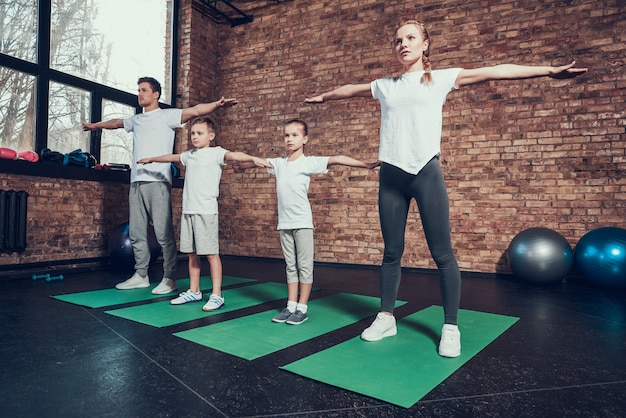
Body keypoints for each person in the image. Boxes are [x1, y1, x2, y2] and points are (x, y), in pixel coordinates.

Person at [304, 19, 587, 357]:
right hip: (391, 175)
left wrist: (547, 70)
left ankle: (450, 326)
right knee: (391, 251)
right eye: (397, 41)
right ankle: (385, 316)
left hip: (425, 172)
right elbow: (349, 89)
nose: (403, 44)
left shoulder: (441, 79)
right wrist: (323, 96)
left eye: (411, 38)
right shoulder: (385, 85)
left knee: (442, 253)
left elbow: (495, 70)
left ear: (425, 45)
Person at [82, 76, 238, 295]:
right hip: (137, 181)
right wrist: (95, 125)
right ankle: (141, 275)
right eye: (138, 90)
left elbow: (194, 111)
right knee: (137, 231)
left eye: (144, 90)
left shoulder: (167, 116)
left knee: (163, 233)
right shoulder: (136, 120)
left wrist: (217, 105)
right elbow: (117, 122)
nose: (140, 94)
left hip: (158, 182)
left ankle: (169, 277)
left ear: (155, 94)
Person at [238, 119, 379, 325]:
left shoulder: (308, 162)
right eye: (286, 135)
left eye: (294, 135)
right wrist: (249, 161)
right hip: (284, 223)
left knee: (304, 266)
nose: (289, 139)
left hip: (302, 222)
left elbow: (338, 158)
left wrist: (365, 165)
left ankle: (302, 308)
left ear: (305, 139)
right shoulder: (278, 164)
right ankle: (290, 306)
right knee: (290, 266)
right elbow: (244, 164)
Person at [137, 117, 272, 310]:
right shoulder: (190, 155)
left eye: (199, 133)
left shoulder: (217, 153)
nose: (195, 137)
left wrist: (253, 159)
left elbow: (235, 156)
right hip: (188, 211)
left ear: (211, 135)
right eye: (192, 133)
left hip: (206, 212)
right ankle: (194, 291)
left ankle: (217, 295)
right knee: (192, 254)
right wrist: (151, 159)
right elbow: (172, 157)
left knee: (211, 254)